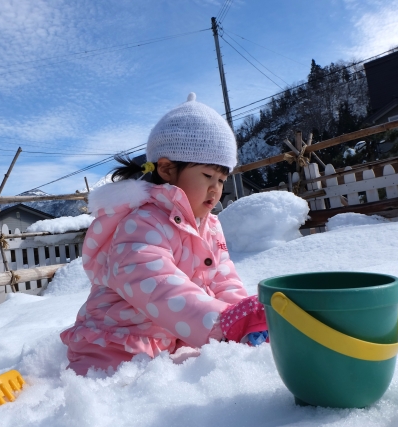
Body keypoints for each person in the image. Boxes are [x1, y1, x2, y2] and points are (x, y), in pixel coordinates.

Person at [61, 93, 267, 375]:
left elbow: (222, 277)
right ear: (167, 169)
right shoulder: (143, 222)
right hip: (115, 343)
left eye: (221, 180)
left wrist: (244, 320)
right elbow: (154, 281)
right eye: (208, 176)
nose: (216, 189)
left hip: (171, 341)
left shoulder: (209, 225)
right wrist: (222, 323)